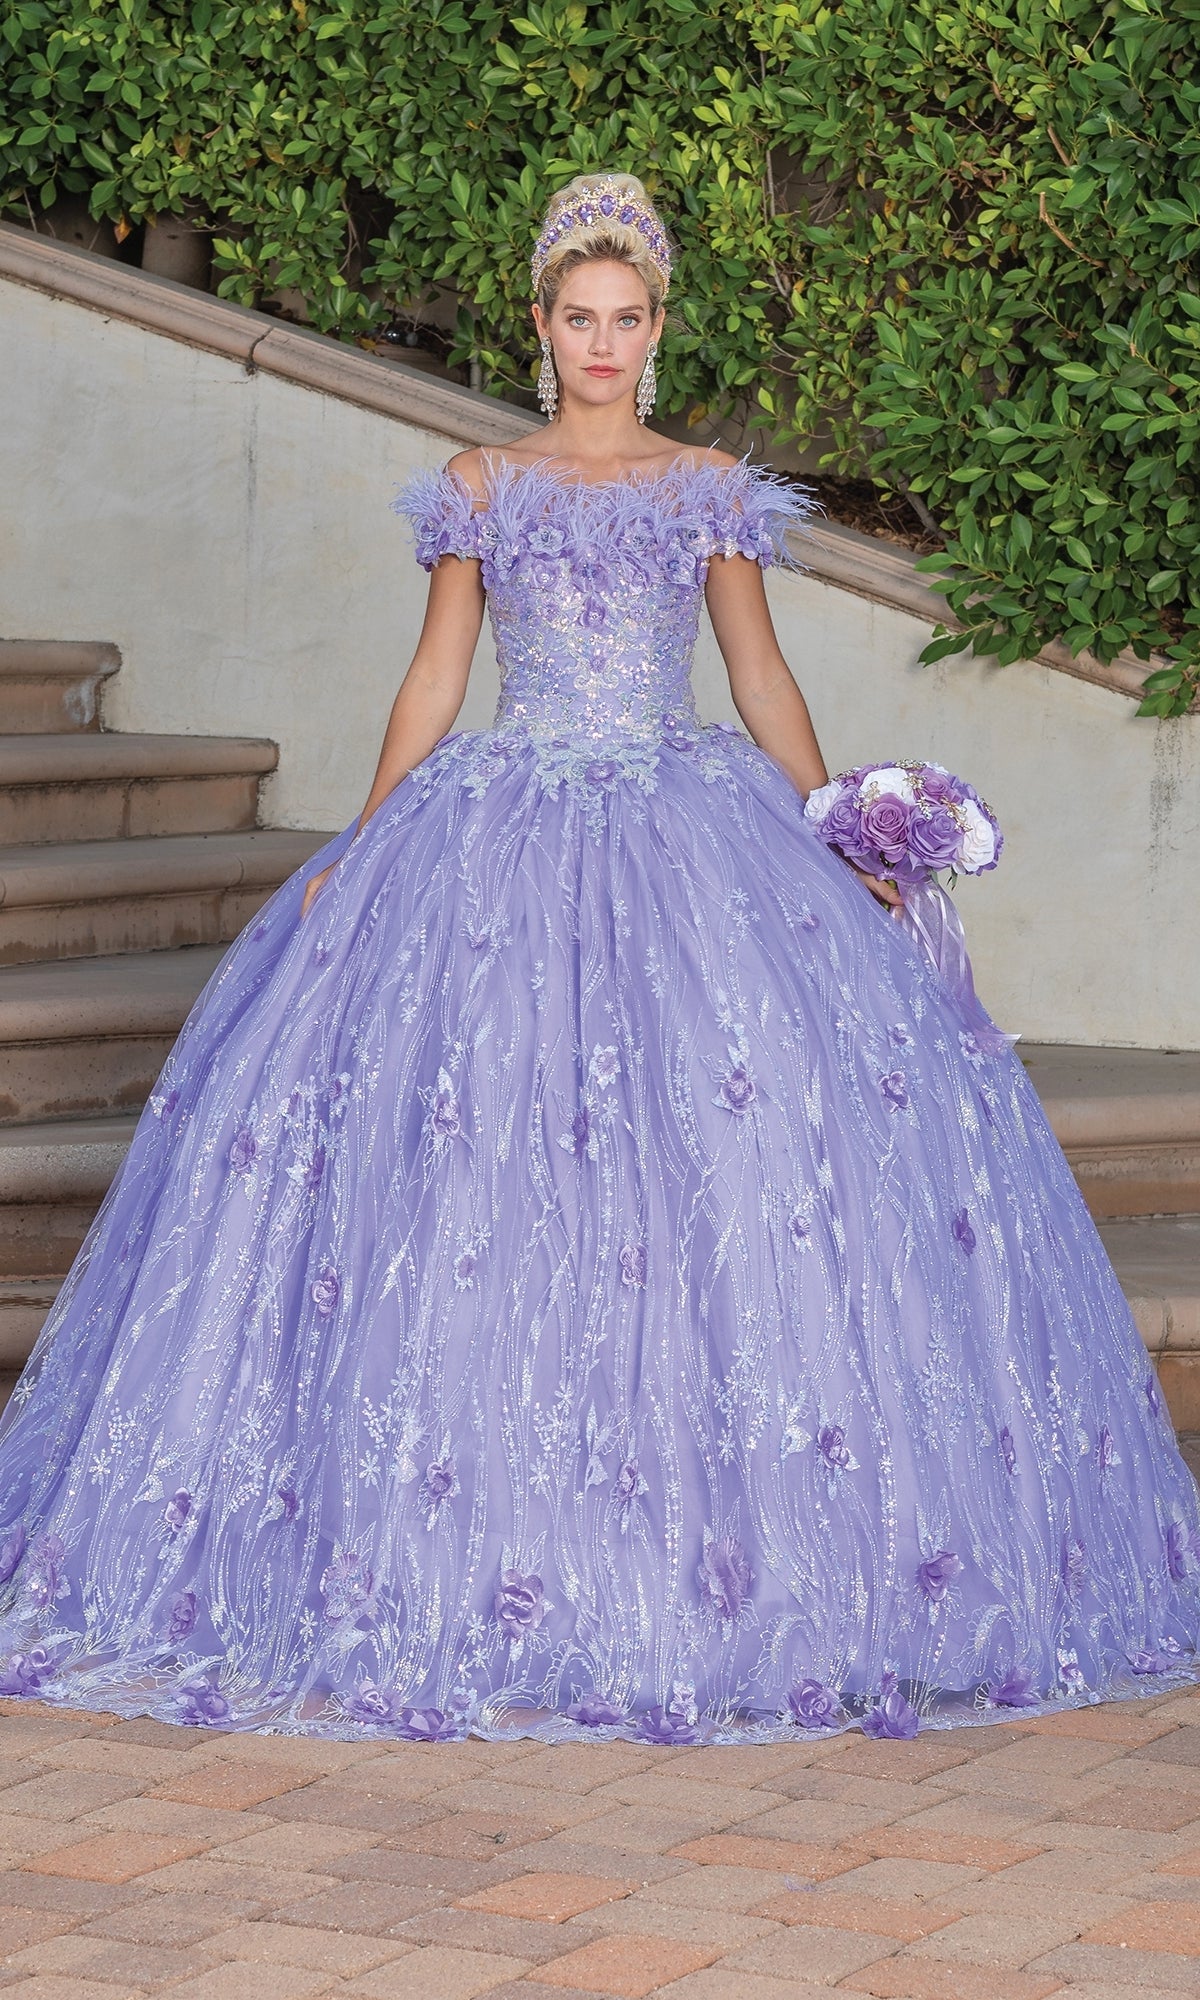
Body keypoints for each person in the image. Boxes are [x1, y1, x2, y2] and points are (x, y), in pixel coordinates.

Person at [0, 173, 1197, 1745]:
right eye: (580, 317)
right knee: (485, 1169)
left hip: (696, 835)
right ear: (540, 322)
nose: (604, 344)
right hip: (497, 832)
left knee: (721, 1172)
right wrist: (362, 843)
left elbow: (760, 677)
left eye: (629, 320)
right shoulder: (481, 486)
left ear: (659, 326)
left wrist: (837, 827)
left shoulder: (709, 487)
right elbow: (435, 681)